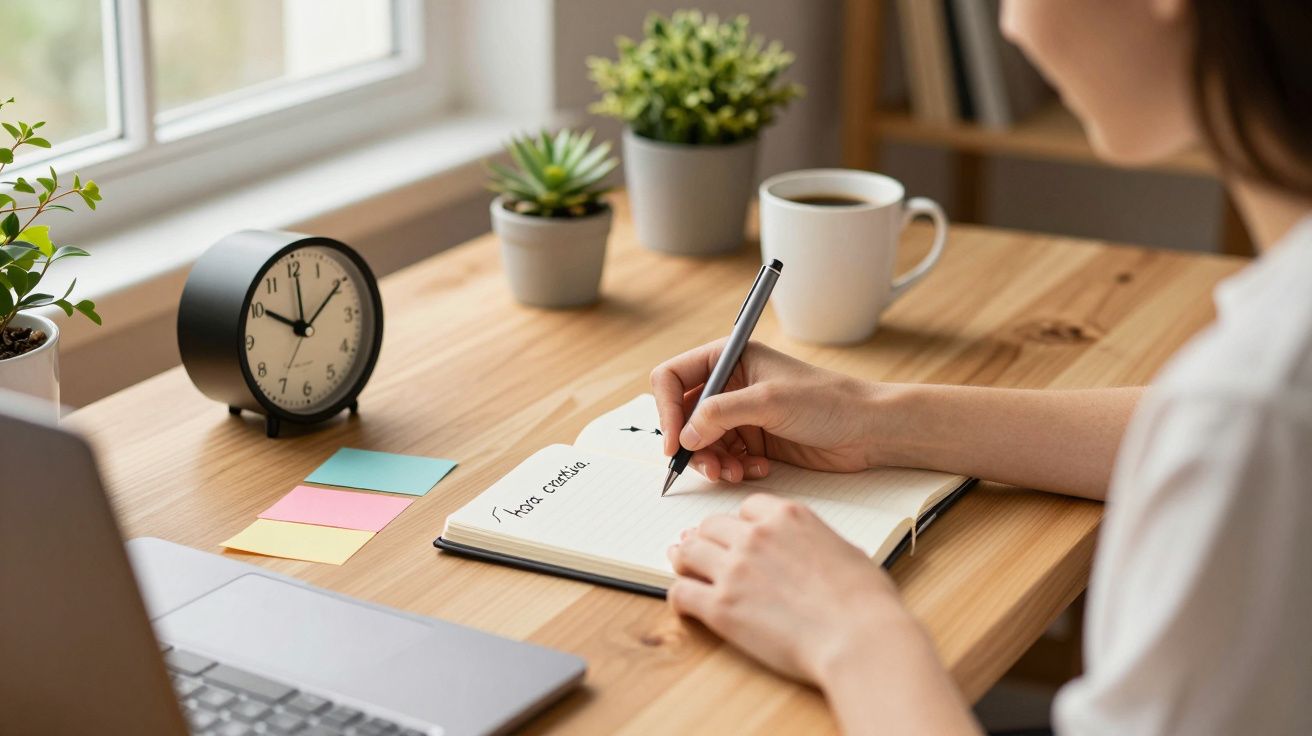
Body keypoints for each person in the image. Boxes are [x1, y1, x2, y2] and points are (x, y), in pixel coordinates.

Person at [652, 1, 1312, 733]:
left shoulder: (1256, 403)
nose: (1011, 28)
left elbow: (1241, 430)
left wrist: (854, 632)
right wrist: (873, 418)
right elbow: (1211, 435)